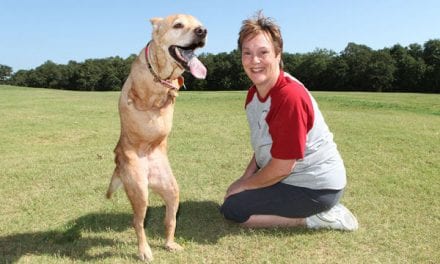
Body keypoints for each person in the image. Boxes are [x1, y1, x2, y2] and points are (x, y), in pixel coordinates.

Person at [220, 11, 358, 231]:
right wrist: (243, 179)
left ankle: (320, 218)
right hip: (289, 178)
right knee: (234, 198)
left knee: (234, 209)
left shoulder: (289, 97)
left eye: (263, 52)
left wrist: (244, 186)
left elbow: (283, 167)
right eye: (247, 53)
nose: (254, 61)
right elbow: (264, 147)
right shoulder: (253, 95)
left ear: (277, 54)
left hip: (315, 187)